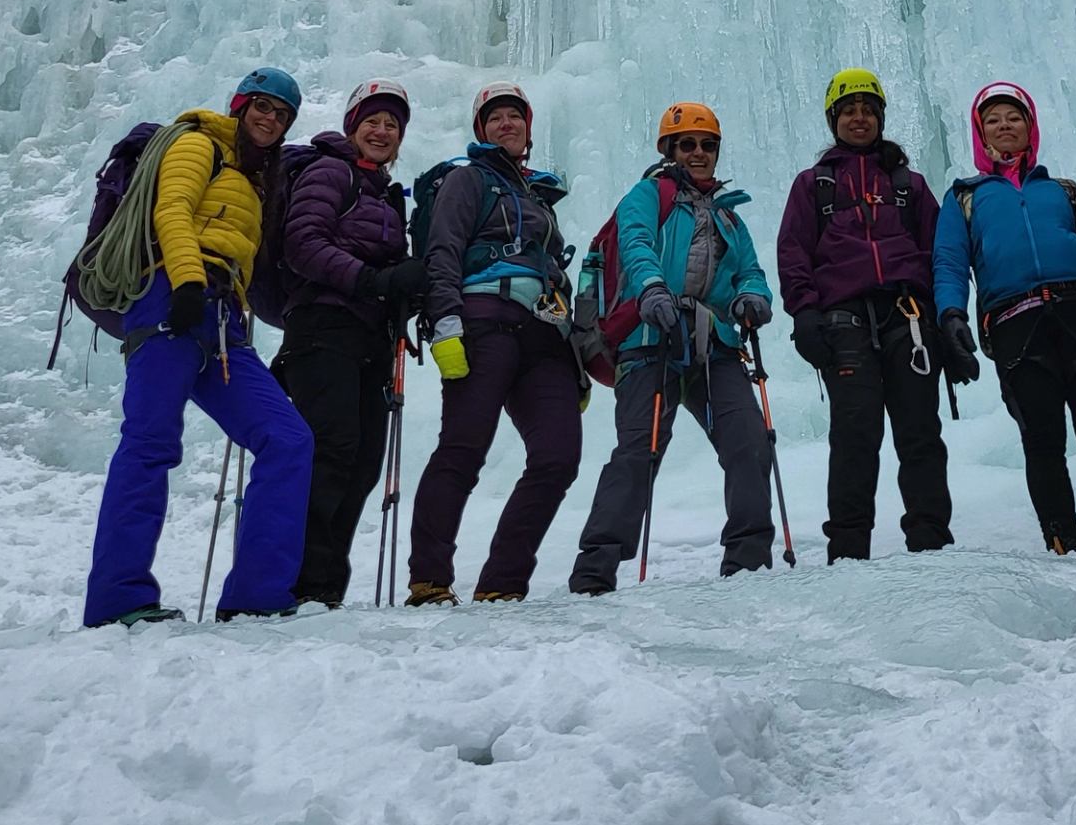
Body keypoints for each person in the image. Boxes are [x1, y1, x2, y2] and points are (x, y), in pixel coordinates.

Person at [83, 67, 314, 627]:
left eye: (281, 114)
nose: (270, 119)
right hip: (170, 299)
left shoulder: (256, 176)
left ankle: (258, 594)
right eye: (262, 106)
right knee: (150, 444)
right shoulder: (196, 143)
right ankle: (118, 600)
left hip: (221, 320)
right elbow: (172, 211)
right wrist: (185, 283)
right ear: (239, 106)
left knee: (288, 438)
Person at [568, 102, 777, 592]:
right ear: (670, 150)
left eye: (707, 145)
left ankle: (748, 565)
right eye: (688, 145)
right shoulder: (646, 195)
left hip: (714, 342)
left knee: (748, 441)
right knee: (639, 451)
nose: (699, 153)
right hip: (648, 338)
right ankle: (594, 570)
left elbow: (750, 271)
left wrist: (753, 298)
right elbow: (637, 243)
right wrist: (652, 291)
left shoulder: (729, 217)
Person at [933, 81, 1076, 557]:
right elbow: (949, 260)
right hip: (1016, 322)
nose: (1005, 127)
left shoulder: (1064, 192)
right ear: (981, 134)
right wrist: (951, 314)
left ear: (1031, 127)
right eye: (994, 121)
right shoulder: (964, 197)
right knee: (1042, 438)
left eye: (1014, 118)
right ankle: (1063, 538)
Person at [405, 84, 581, 604]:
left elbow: (553, 274)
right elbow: (443, 251)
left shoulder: (535, 197)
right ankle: (429, 580)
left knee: (558, 456)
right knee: (463, 449)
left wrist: (574, 354)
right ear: (481, 130)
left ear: (528, 129)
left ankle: (502, 583)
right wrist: (446, 324)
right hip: (482, 321)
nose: (507, 124)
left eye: (515, 117)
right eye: (495, 118)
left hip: (543, 334)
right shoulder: (468, 179)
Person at [775, 68, 952, 562]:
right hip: (843, 318)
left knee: (919, 430)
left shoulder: (907, 184)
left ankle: (931, 541)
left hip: (908, 314)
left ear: (879, 118)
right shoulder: (815, 185)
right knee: (855, 433)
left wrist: (945, 318)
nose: (859, 118)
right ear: (835, 119)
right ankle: (849, 550)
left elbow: (938, 251)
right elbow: (793, 251)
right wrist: (804, 313)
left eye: (868, 110)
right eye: (850, 110)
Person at [277, 79, 425, 609]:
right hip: (322, 329)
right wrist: (371, 280)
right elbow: (303, 242)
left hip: (368, 338)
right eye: (373, 121)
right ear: (352, 126)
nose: (382, 131)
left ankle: (324, 586)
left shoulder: (384, 191)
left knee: (362, 462)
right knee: (333, 451)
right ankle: (298, 582)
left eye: (392, 125)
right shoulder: (329, 170)